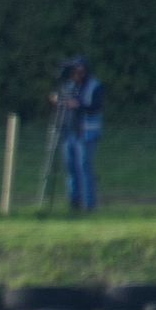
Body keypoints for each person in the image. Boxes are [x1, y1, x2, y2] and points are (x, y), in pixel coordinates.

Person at [50, 55, 104, 212]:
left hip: (86, 133)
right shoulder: (68, 85)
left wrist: (77, 105)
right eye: (74, 70)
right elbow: (61, 102)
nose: (77, 74)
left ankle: (89, 205)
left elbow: (95, 107)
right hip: (68, 132)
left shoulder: (95, 86)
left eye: (79, 70)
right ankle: (74, 203)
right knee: (71, 169)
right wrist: (58, 100)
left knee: (84, 168)